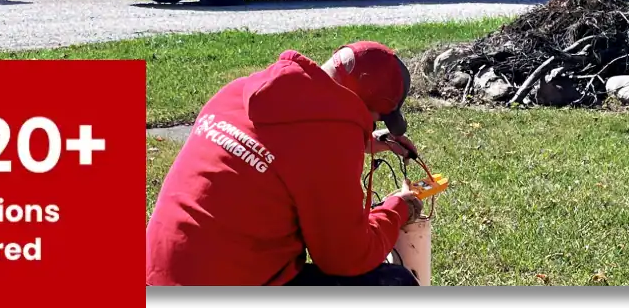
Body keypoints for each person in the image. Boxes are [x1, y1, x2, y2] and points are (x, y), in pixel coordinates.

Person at [146, 41, 424, 287]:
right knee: (395, 283)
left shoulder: (238, 91)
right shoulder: (328, 144)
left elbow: (284, 144)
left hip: (154, 273)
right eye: (374, 119)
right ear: (364, 107)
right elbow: (347, 257)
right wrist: (399, 208)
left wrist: (365, 141)